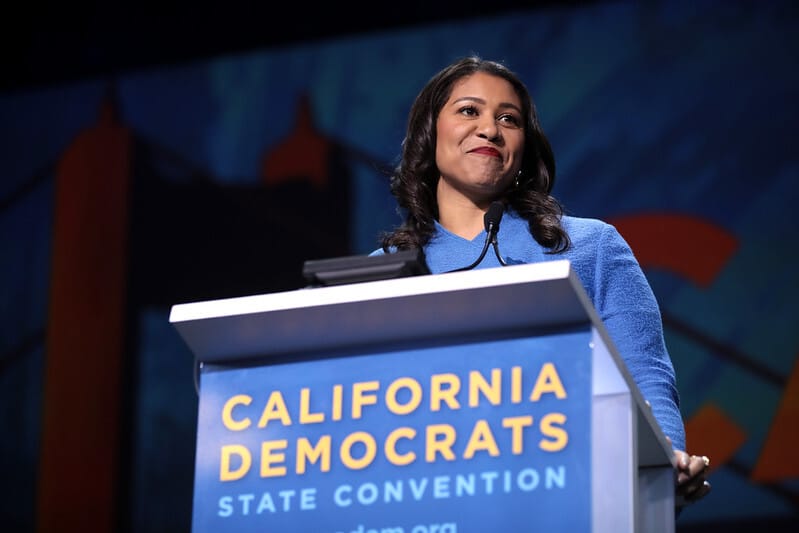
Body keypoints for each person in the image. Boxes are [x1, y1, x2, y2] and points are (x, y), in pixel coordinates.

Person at [371, 55, 711, 507]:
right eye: (469, 111)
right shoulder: (383, 271)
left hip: (567, 493)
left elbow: (645, 373)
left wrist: (665, 461)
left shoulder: (591, 247)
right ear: (429, 133)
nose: (489, 129)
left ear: (524, 148)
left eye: (508, 119)